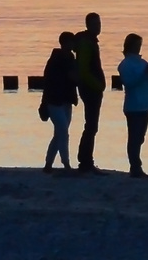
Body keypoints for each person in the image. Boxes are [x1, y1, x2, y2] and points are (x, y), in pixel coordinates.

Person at [115, 33, 148, 177]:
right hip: (133, 105)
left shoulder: (142, 62)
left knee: (140, 137)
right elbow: (129, 82)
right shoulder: (125, 64)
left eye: (140, 45)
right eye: (137, 45)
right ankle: (135, 167)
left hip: (145, 104)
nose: (139, 48)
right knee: (134, 137)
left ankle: (136, 165)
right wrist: (146, 72)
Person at [39, 30, 80, 171]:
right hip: (54, 101)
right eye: (72, 42)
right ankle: (66, 163)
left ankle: (48, 164)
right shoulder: (57, 60)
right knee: (63, 131)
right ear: (66, 43)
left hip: (66, 101)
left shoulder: (70, 58)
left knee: (60, 132)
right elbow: (50, 81)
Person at [72, 12, 105, 171]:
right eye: (95, 23)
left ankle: (85, 159)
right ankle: (85, 160)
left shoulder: (89, 41)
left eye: (99, 23)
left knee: (91, 125)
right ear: (88, 25)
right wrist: (98, 86)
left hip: (91, 89)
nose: (98, 26)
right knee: (91, 125)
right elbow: (84, 70)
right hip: (90, 89)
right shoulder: (86, 43)